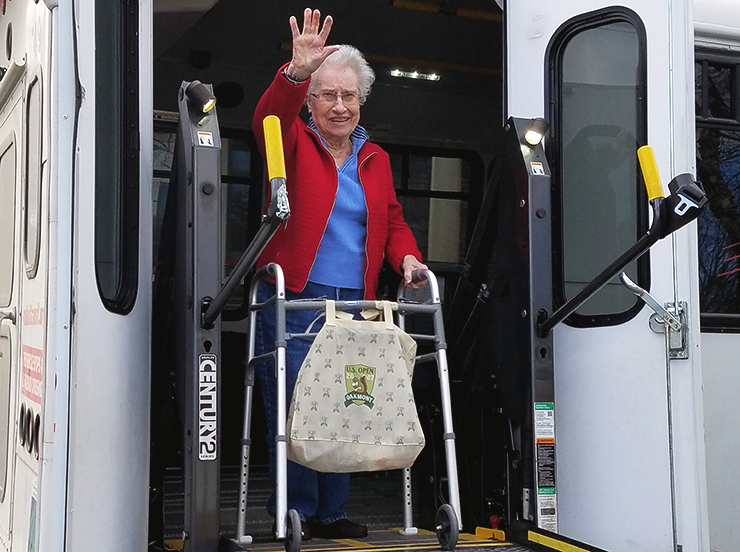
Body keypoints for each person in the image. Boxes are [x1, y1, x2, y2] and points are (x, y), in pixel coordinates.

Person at [252, 8, 427, 542]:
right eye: (327, 94)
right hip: (294, 293)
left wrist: (408, 259)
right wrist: (295, 70)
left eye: (349, 95)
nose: (339, 105)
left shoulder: (374, 157)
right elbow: (267, 117)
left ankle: (332, 512)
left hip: (353, 301)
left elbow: (392, 220)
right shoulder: (291, 142)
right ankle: (294, 511)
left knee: (348, 402)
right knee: (296, 407)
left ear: (362, 101)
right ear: (310, 100)